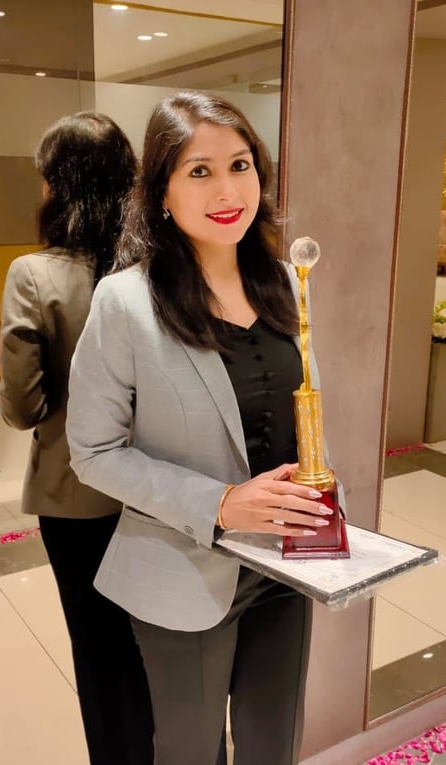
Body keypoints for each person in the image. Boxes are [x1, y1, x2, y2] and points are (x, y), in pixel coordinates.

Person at [66, 91, 342, 765]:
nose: (227, 190)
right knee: (191, 750)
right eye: (199, 171)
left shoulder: (286, 282)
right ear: (162, 192)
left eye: (240, 165)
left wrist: (329, 511)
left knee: (273, 743)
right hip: (183, 566)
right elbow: (93, 452)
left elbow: (304, 415)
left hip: (286, 562)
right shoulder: (126, 301)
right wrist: (220, 503)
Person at [0, 112, 153, 765]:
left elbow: (22, 407)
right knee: (165, 646)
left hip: (75, 496)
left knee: (100, 650)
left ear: (58, 185)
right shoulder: (158, 269)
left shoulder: (33, 275)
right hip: (161, 492)